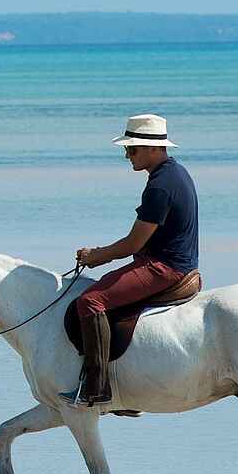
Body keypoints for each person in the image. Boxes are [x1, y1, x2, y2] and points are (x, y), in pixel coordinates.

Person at [63, 113, 200, 407]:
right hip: (171, 262)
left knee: (90, 302)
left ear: (153, 149)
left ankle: (97, 388)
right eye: (127, 149)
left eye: (131, 149)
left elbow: (132, 244)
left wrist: (96, 256)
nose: (127, 155)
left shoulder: (160, 186)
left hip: (164, 268)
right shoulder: (175, 172)